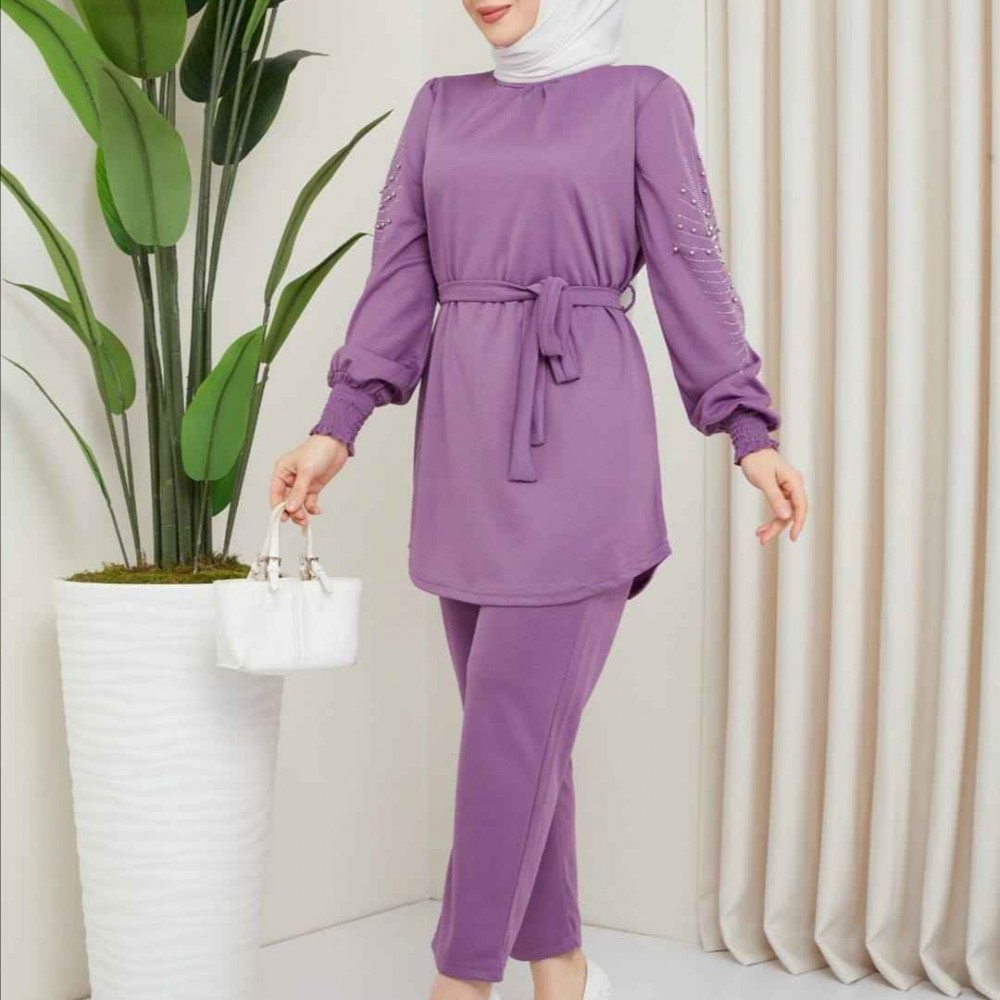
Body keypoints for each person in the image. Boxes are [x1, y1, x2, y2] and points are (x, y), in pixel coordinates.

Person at [270, 0, 809, 997]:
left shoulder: (642, 100)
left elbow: (691, 269)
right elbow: (399, 276)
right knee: (518, 740)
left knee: (508, 737)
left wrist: (748, 428)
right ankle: (563, 972)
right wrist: (336, 425)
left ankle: (459, 984)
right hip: (463, 453)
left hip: (584, 448)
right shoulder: (439, 108)